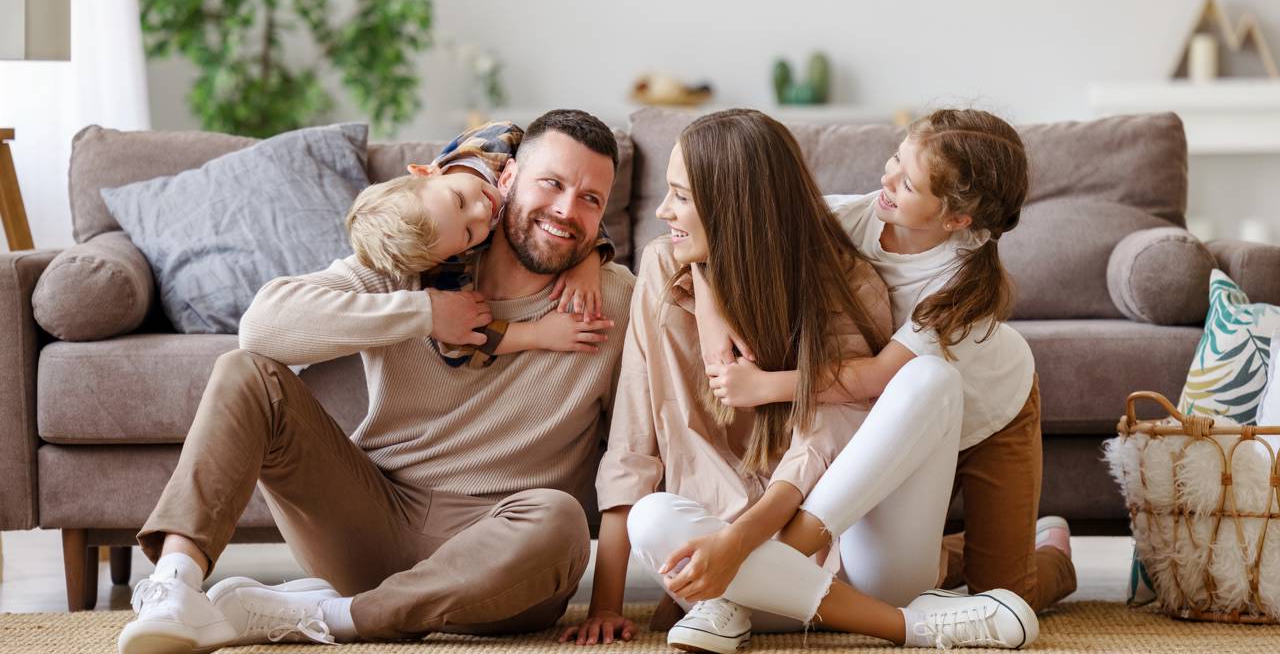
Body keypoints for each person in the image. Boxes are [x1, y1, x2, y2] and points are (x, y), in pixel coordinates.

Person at [118, 109, 635, 654]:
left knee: (561, 519)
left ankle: (324, 615)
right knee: (245, 373)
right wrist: (423, 313)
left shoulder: (615, 299)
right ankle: (174, 588)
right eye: (551, 183)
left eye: (590, 199)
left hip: (502, 552)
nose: (565, 210)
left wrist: (609, 603)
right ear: (506, 181)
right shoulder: (422, 253)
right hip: (374, 514)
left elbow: (633, 451)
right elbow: (262, 327)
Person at [563, 109, 1038, 653]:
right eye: (895, 162)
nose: (662, 211)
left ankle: (1008, 572)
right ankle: (895, 616)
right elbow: (631, 442)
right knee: (653, 518)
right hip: (733, 562)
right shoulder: (830, 224)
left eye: (682, 197)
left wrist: (745, 538)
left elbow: (854, 403)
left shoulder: (880, 282)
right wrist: (606, 605)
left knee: (1007, 580)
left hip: (924, 448)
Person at [345, 120, 615, 368]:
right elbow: (459, 345)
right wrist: (537, 334)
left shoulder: (499, 140)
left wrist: (588, 261)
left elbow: (572, 184)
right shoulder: (448, 260)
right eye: (468, 233)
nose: (482, 211)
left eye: (459, 200)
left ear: (427, 172)